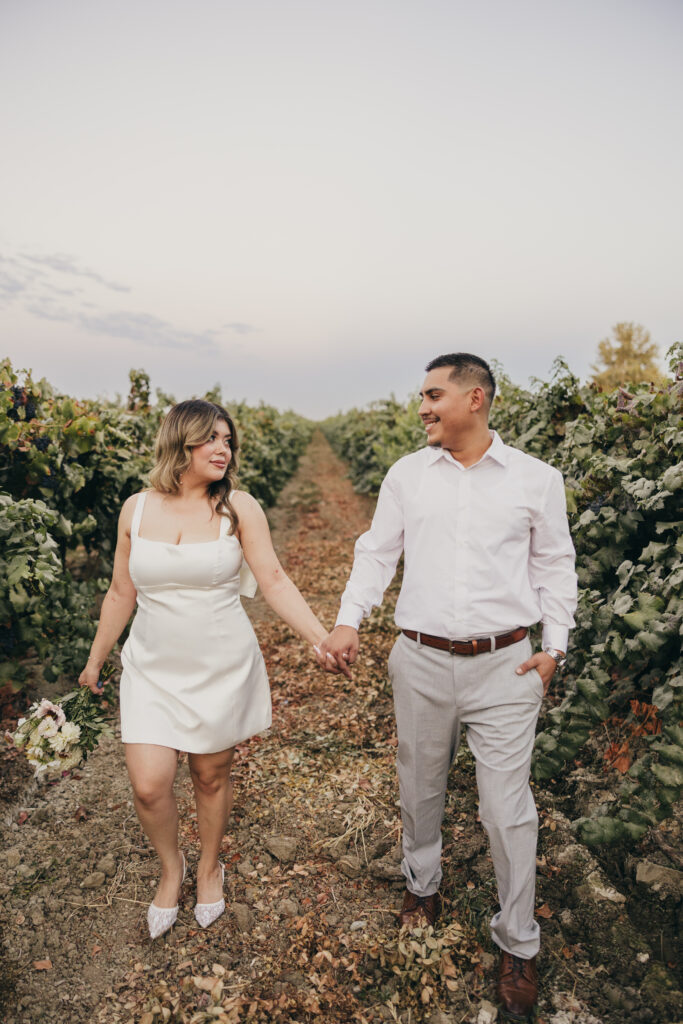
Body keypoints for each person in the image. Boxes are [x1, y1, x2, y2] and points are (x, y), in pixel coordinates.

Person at [316, 354, 577, 1021]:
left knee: (505, 807)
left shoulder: (535, 480)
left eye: (433, 396)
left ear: (476, 399)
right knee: (418, 782)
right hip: (421, 660)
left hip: (506, 665)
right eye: (422, 397)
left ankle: (517, 941)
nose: (423, 408)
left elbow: (554, 565)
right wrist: (348, 622)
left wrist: (554, 650)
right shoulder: (406, 475)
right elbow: (376, 552)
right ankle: (421, 885)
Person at [80, 399, 333, 939]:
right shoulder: (136, 508)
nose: (223, 449)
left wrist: (321, 639)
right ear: (181, 443)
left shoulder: (239, 508)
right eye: (211, 439)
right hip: (150, 665)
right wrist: (95, 659)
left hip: (218, 663)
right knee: (149, 785)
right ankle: (171, 869)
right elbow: (121, 590)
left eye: (228, 440)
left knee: (209, 773)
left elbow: (275, 581)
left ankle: (208, 865)